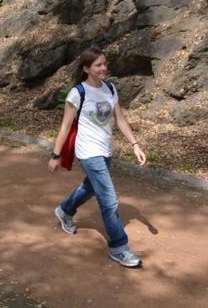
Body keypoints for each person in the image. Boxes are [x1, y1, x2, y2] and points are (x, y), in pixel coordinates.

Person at [49, 47, 147, 268]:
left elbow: (120, 119)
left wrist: (135, 145)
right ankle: (119, 248)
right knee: (109, 200)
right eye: (98, 65)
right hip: (87, 151)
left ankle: (64, 210)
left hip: (105, 150)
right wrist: (55, 155)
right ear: (86, 69)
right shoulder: (78, 93)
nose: (104, 68)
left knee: (91, 187)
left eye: (105, 64)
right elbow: (65, 127)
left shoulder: (110, 88)